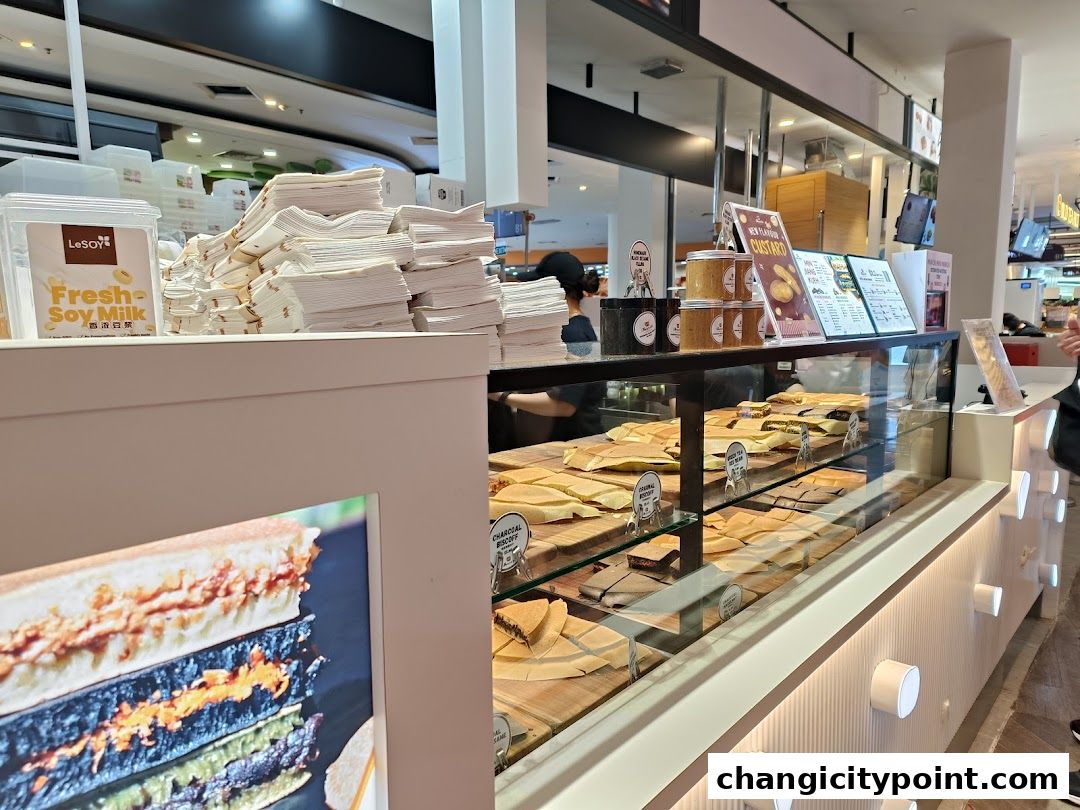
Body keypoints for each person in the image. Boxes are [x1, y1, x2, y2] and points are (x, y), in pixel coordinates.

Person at [490, 252, 604, 445]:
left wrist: (501, 396)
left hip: (572, 444)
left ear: (553, 290)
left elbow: (564, 405)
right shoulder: (569, 328)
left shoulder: (573, 334)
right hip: (566, 442)